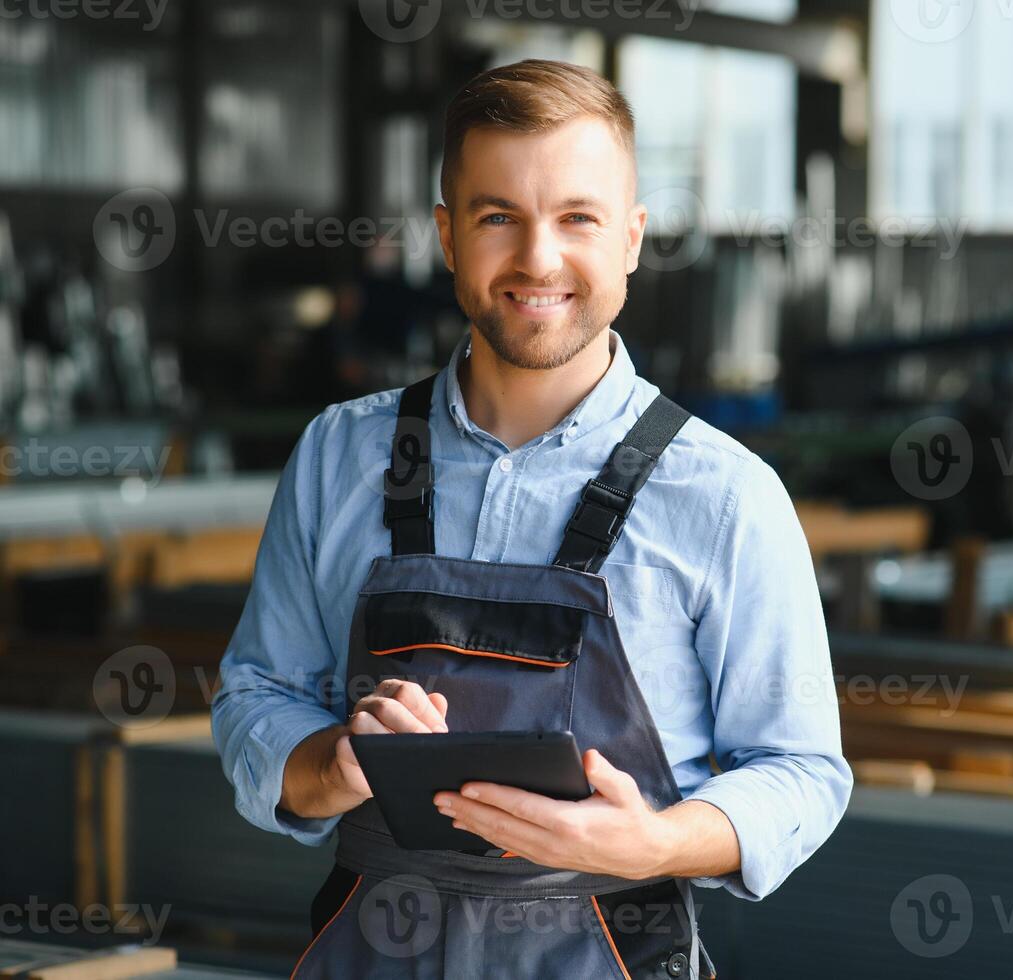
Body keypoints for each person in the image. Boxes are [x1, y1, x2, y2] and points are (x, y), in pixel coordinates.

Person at [210, 59, 852, 977]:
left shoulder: (726, 496)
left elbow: (800, 771)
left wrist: (658, 845)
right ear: (447, 236)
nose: (537, 259)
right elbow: (254, 695)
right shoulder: (336, 456)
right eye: (497, 216)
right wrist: (330, 765)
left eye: (577, 218)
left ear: (631, 237)